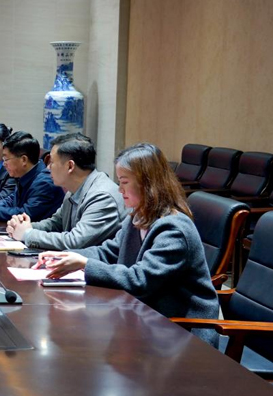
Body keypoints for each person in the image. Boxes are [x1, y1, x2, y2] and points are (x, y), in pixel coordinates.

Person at [35, 143, 219, 345]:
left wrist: (84, 264)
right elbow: (109, 252)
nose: (119, 189)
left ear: (147, 183)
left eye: (124, 181)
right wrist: (68, 256)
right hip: (147, 317)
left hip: (181, 332)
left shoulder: (174, 229)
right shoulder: (138, 216)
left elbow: (141, 281)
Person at [6, 132, 126, 250]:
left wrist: (27, 234)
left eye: (52, 162)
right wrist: (23, 226)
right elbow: (56, 223)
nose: (48, 168)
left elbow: (75, 241)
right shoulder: (73, 190)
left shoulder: (102, 196)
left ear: (70, 166)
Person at [0, 131, 64, 222]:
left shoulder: (44, 182)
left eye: (6, 159)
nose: (4, 164)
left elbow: (26, 213)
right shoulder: (26, 174)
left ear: (23, 160)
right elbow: (11, 200)